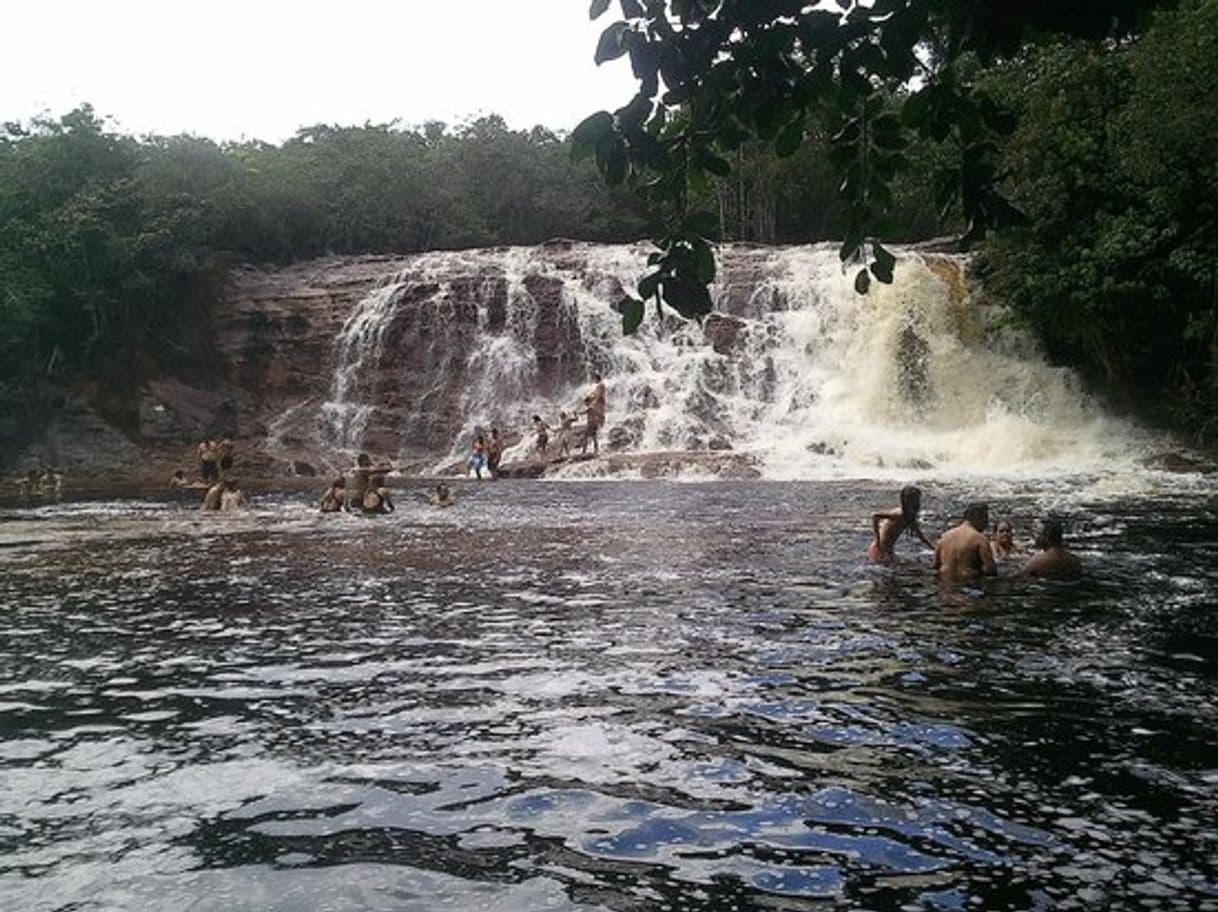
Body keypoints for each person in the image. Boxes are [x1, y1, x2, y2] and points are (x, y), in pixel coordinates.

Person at [934, 502, 997, 584]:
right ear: (978, 518)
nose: (987, 524)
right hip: (969, 586)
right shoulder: (980, 539)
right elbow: (991, 570)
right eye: (986, 519)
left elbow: (936, 567)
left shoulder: (944, 538)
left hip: (945, 587)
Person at [867, 485, 934, 562]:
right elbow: (875, 516)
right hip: (879, 550)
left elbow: (921, 537)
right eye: (913, 501)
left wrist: (935, 549)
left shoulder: (910, 517)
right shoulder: (898, 515)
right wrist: (878, 541)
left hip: (888, 550)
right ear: (905, 502)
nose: (916, 503)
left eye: (917, 501)